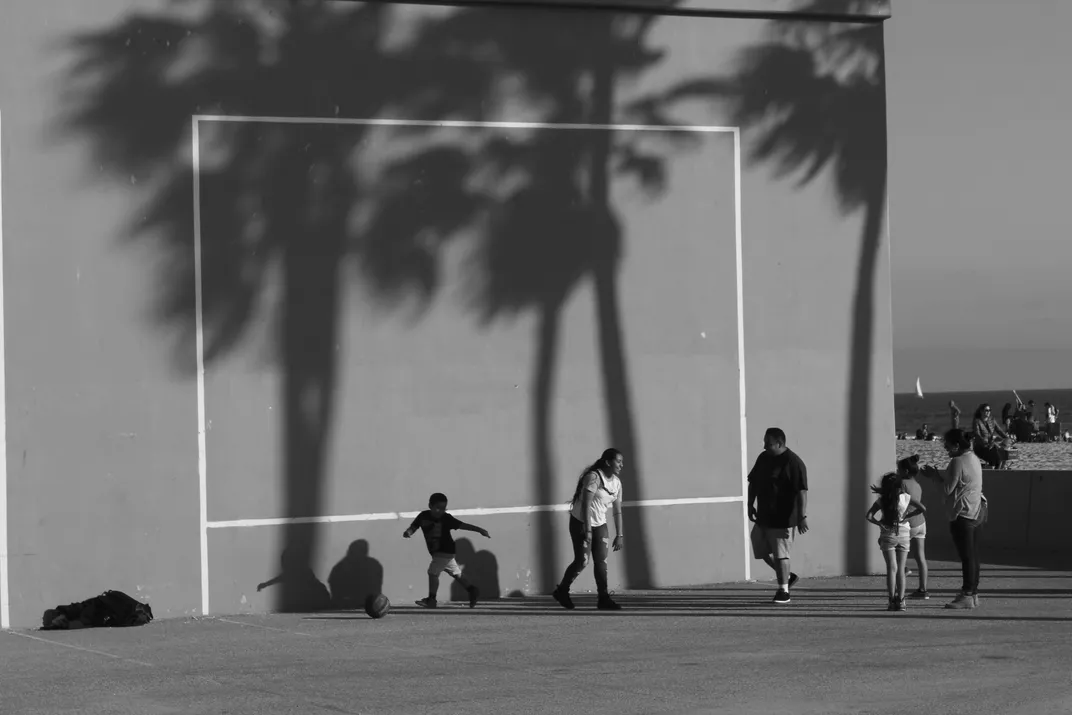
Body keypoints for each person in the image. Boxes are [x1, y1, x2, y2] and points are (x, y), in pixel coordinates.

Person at [920, 429, 986, 610]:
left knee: (967, 556)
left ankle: (967, 595)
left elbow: (947, 490)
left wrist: (934, 478)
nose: (945, 448)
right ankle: (973, 593)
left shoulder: (957, 461)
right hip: (978, 509)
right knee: (973, 555)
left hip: (963, 513)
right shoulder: (973, 457)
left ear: (957, 445)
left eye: (947, 445)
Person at [552, 448, 625, 611]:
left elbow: (617, 510)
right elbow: (586, 504)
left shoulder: (617, 483)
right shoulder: (593, 478)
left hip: (600, 524)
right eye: (618, 461)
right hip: (581, 523)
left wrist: (619, 534)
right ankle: (562, 590)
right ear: (608, 462)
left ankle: (603, 598)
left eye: (622, 462)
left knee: (601, 561)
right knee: (582, 561)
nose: (621, 465)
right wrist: (588, 530)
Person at [747, 427, 809, 604]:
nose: (765, 446)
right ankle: (787, 576)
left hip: (783, 518)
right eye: (764, 442)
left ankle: (784, 591)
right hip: (764, 516)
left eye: (768, 443)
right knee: (761, 550)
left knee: (781, 554)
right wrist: (750, 504)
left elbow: (802, 492)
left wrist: (802, 516)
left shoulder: (793, 462)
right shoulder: (763, 458)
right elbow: (753, 482)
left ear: (779, 443)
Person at [403, 492, 490, 608]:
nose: (441, 511)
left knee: (433, 573)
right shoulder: (423, 516)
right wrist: (409, 532)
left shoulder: (446, 518)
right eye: (438, 508)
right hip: (441, 553)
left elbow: (463, 525)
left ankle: (431, 600)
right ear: (430, 506)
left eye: (443, 508)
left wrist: (479, 530)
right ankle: (472, 590)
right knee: (456, 574)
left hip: (444, 550)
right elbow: (415, 526)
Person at [866, 471, 926, 612]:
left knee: (891, 569)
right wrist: (906, 516)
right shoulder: (906, 497)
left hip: (888, 534)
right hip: (904, 533)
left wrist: (880, 524)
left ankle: (891, 600)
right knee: (901, 568)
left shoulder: (882, 500)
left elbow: (869, 516)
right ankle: (902, 601)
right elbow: (922, 508)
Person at [897, 455, 930, 600]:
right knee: (920, 557)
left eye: (898, 469)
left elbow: (898, 502)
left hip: (908, 524)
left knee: (897, 557)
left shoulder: (901, 483)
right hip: (921, 523)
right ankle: (923, 590)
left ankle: (899, 590)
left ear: (904, 470)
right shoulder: (917, 484)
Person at [971, 403, 1008, 468]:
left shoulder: (992, 420)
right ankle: (992, 471)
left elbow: (999, 430)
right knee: (995, 458)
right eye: (986, 410)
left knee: (1001, 456)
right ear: (981, 411)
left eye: (989, 410)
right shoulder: (977, 421)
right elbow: (977, 434)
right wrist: (986, 443)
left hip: (991, 445)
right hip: (980, 447)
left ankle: (995, 471)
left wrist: (1007, 438)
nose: (988, 412)